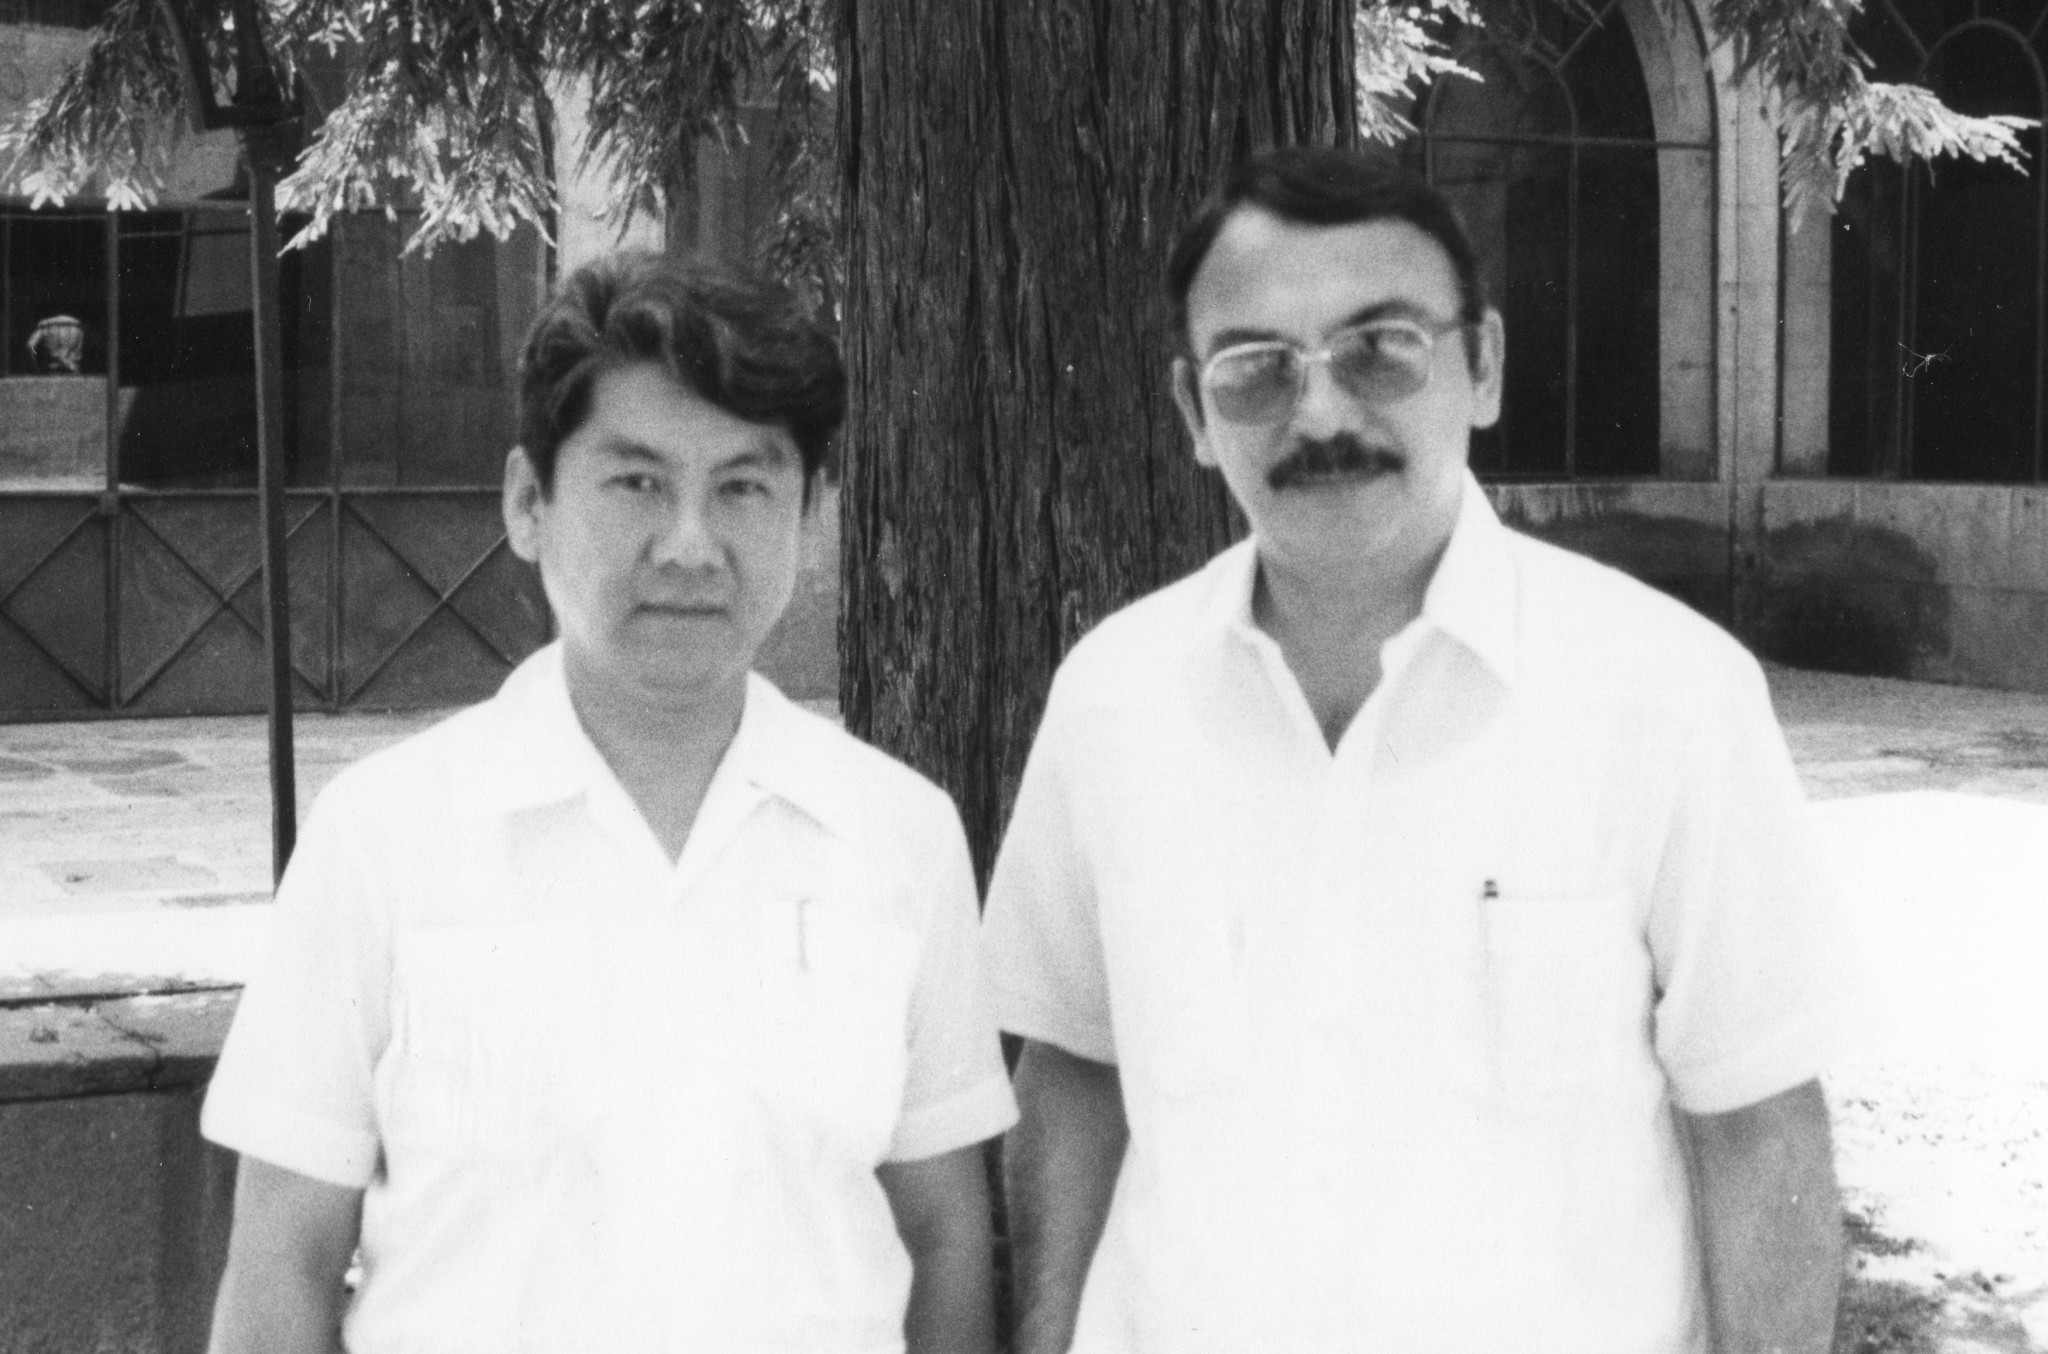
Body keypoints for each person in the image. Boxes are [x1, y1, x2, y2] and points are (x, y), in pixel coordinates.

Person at [982, 148, 1865, 1354]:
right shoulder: (1112, 700)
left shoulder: (1666, 697)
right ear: (1193, 414)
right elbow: (1074, 1073)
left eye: (1378, 348)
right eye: (1255, 371)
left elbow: (1756, 1123)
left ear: (1481, 365)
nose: (1322, 413)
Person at [202, 252, 1017, 1354]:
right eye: (636, 481)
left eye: (741, 486)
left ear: (807, 511)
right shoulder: (383, 838)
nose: (688, 543)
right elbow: (281, 1264)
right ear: (527, 501)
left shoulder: (900, 837)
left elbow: (943, 1237)